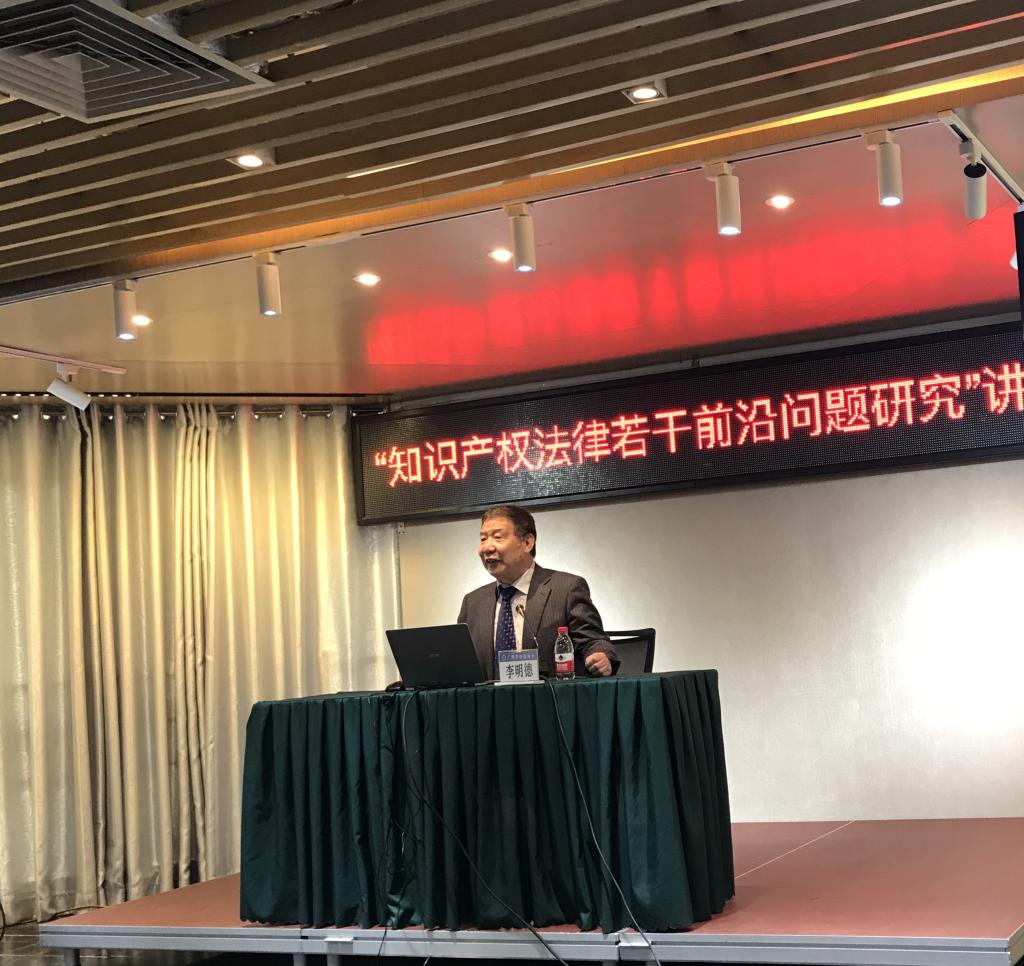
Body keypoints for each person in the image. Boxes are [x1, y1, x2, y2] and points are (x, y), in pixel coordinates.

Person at [457, 504, 617, 679]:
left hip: (550, 695)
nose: (487, 548)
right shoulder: (472, 603)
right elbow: (461, 663)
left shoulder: (566, 588)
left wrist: (600, 656)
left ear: (527, 543)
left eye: (497, 537)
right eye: (483, 539)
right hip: (490, 696)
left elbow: (594, 641)